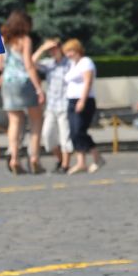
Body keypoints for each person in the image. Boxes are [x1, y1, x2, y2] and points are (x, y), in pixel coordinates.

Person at [0, 11, 44, 174]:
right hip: (24, 81)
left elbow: (0, 66)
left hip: (8, 82)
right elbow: (28, 65)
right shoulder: (25, 40)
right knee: (36, 121)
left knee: (14, 122)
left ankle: (15, 158)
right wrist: (38, 88)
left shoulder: (2, 40)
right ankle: (34, 157)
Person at [62, 38, 102, 174]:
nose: (68, 54)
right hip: (71, 100)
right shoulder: (73, 64)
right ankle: (81, 163)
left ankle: (97, 157)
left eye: (70, 51)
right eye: (66, 52)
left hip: (84, 100)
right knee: (74, 133)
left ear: (77, 50)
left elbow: (88, 82)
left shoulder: (86, 62)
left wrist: (82, 100)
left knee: (80, 130)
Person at [34, 38, 70, 173]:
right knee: (47, 136)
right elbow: (31, 63)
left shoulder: (69, 63)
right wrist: (42, 48)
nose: (52, 52)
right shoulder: (49, 63)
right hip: (51, 106)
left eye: (54, 49)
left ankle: (65, 165)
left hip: (65, 105)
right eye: (50, 50)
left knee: (64, 136)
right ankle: (60, 159)